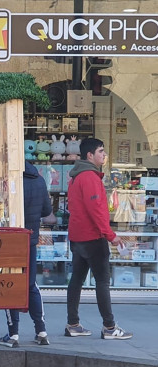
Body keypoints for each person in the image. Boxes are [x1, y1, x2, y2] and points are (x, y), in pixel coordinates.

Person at [65, 138, 132, 340]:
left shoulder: (76, 177)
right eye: (101, 151)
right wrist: (110, 235)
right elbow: (96, 211)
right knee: (102, 281)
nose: (104, 155)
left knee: (76, 280)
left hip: (78, 236)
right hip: (93, 237)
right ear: (90, 155)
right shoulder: (90, 177)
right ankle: (110, 327)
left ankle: (73, 324)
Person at [0, 161, 56, 348]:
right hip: (30, 240)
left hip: (10, 241)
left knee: (11, 284)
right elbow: (47, 212)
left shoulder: (8, 181)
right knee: (31, 285)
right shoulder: (39, 180)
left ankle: (13, 334)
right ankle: (41, 331)